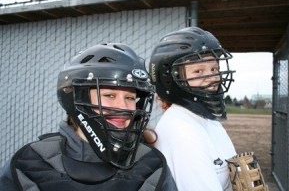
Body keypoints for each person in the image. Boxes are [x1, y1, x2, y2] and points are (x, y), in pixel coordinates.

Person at [0, 43, 177, 191]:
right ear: (78, 98)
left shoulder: (151, 166)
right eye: (109, 95)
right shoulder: (29, 164)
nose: (124, 107)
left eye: (130, 98)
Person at [149, 27, 237, 191]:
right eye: (198, 71)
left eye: (214, 69)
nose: (212, 78)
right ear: (171, 80)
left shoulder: (204, 118)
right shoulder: (181, 130)